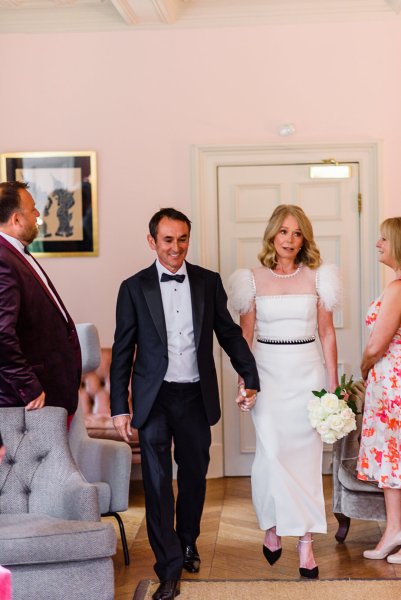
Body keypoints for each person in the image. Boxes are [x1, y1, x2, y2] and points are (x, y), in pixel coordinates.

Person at [110, 207, 260, 600]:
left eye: (182, 239)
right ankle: (169, 568)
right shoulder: (133, 287)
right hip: (153, 398)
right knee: (159, 483)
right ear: (152, 241)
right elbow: (123, 350)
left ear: (188, 240)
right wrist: (118, 407)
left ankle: (188, 540)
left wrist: (251, 376)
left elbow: (228, 334)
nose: (175, 247)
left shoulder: (207, 283)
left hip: (195, 394)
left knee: (194, 475)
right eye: (167, 240)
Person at [228, 204, 340, 579]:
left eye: (296, 233)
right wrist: (244, 378)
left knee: (306, 461)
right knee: (272, 455)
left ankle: (306, 541)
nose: (289, 239)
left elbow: (326, 332)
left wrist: (333, 384)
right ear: (272, 235)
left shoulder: (320, 278)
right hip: (267, 373)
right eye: (283, 232)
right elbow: (245, 334)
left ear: (303, 238)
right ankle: (273, 525)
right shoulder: (252, 279)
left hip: (307, 374)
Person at [0, 181, 81, 421]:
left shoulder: (15, 253)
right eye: (32, 209)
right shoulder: (3, 260)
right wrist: (29, 386)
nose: (38, 214)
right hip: (30, 399)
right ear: (16, 219)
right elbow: (2, 333)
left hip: (48, 394)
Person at [357, 217, 401, 563]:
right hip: (388, 386)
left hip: (393, 387)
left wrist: (363, 367)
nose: (378, 244)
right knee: (392, 462)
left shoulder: (398, 288)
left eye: (383, 239)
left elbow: (377, 344)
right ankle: (394, 532)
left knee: (396, 459)